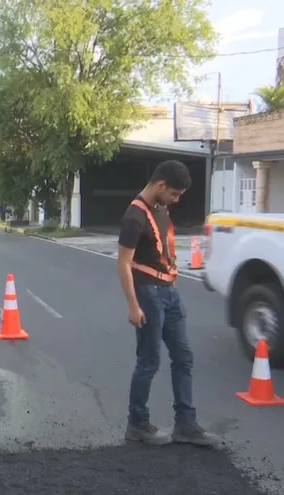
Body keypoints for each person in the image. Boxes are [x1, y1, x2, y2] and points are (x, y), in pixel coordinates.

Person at [116, 160, 222, 448]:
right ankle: (137, 424)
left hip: (170, 292)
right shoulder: (134, 218)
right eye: (174, 194)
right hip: (148, 294)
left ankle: (185, 425)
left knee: (183, 357)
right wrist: (133, 305)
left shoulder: (160, 208)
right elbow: (124, 264)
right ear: (161, 185)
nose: (175, 200)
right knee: (149, 361)